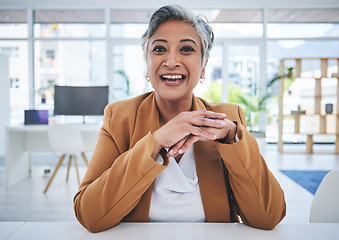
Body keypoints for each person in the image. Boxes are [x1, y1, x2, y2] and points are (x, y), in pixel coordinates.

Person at [73, 5, 286, 233]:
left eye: (186, 49)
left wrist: (231, 136)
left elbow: (268, 216)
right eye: (159, 49)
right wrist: (155, 142)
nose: (171, 61)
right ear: (147, 64)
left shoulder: (228, 119)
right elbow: (89, 214)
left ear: (203, 66)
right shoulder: (119, 117)